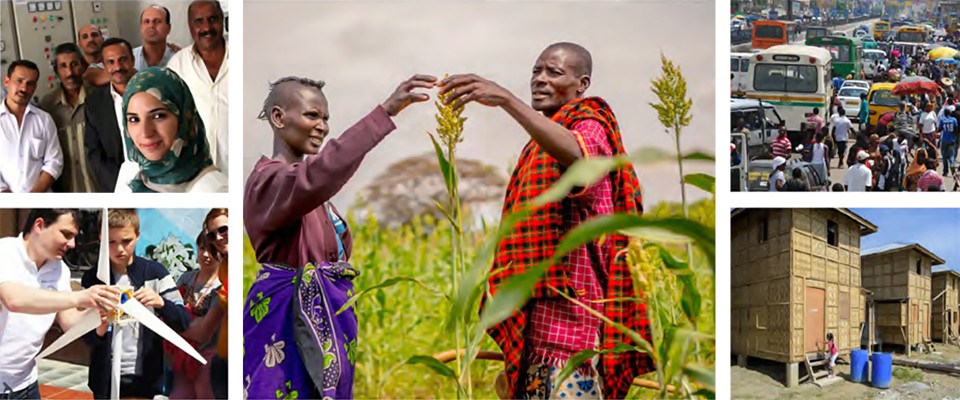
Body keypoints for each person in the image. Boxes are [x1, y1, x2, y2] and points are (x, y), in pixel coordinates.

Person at [439, 42, 652, 399]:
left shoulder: (590, 123)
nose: (539, 80)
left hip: (573, 332)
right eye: (536, 71)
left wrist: (506, 100)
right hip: (537, 326)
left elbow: (583, 162)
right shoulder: (541, 141)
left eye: (553, 72)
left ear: (582, 84)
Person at [243, 74, 436, 399]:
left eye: (326, 118)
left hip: (323, 323)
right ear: (278, 118)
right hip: (286, 323)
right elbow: (321, 173)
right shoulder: (271, 183)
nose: (322, 126)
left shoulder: (308, 193)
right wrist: (384, 113)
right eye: (311, 115)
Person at [0, 209, 120, 399]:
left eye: (74, 237)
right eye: (66, 234)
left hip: (25, 383)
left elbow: (68, 321)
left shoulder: (60, 270)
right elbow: (13, 300)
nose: (72, 244)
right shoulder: (4, 252)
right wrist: (81, 297)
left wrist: (98, 315)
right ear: (39, 225)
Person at [81, 209, 191, 400]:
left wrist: (161, 303)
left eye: (126, 241)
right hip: (104, 379)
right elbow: (85, 335)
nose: (119, 249)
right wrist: (99, 328)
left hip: (146, 379)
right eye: (111, 242)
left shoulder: (155, 273)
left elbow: (183, 321)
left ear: (137, 236)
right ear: (101, 238)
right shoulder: (93, 278)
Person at [115, 67, 227, 192]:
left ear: (184, 119)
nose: (145, 133)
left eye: (158, 116)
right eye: (134, 119)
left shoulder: (214, 190)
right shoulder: (129, 174)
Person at [166, 0, 229, 176]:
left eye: (212, 19)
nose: (207, 27)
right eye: (199, 21)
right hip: (196, 171)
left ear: (222, 21)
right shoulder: (177, 65)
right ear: (190, 26)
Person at [39, 43, 99, 193]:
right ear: (56, 71)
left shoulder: (98, 98)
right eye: (63, 66)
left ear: (83, 66)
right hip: (66, 194)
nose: (70, 72)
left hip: (100, 189)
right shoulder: (48, 106)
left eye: (74, 64)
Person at [169, 231, 222, 399]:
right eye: (202, 248)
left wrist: (175, 325)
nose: (206, 255)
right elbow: (169, 314)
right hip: (181, 356)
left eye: (212, 250)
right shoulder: (186, 278)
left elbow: (202, 333)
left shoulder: (222, 288)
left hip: (208, 359)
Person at [85, 38, 139, 192]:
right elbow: (94, 151)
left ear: (133, 60)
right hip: (117, 186)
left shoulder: (152, 93)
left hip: (156, 183)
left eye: (123, 60)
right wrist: (119, 184)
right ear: (103, 66)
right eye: (111, 62)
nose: (118, 67)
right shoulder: (94, 103)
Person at [1, 60, 63, 193]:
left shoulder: (44, 119)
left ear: (35, 88)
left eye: (30, 84)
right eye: (19, 81)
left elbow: (54, 161)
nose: (24, 88)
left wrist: (33, 197)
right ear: (6, 81)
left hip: (41, 202)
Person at [133, 5, 179, 71]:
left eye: (157, 21)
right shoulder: (128, 58)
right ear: (141, 27)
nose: (151, 26)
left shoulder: (179, 58)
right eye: (147, 21)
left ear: (168, 28)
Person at [940, 108, 958, 177]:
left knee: (944, 156)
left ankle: (945, 171)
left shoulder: (942, 120)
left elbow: (940, 129)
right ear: (950, 113)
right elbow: (956, 129)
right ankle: (952, 165)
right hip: (952, 140)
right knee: (951, 155)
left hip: (944, 140)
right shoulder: (954, 120)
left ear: (944, 113)